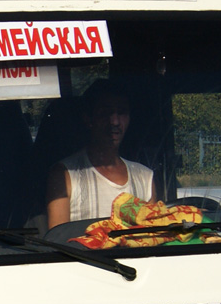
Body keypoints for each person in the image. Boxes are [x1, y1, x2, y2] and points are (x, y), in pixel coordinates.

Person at [45, 80, 156, 229]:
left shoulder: (145, 178)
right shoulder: (65, 175)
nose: (115, 121)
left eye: (121, 112)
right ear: (89, 119)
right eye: (105, 113)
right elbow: (58, 239)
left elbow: (154, 236)